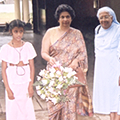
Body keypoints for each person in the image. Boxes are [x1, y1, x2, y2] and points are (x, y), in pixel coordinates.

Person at [41, 4, 93, 120]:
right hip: (55, 74)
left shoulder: (76, 34)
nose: (65, 19)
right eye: (62, 17)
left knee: (69, 106)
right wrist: (50, 59)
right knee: (54, 104)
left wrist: (75, 61)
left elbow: (82, 53)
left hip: (71, 75)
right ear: (58, 18)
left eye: (67, 17)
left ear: (71, 18)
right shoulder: (50, 32)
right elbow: (44, 52)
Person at [0, 19, 37, 120]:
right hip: (12, 82)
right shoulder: (5, 48)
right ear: (10, 31)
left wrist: (31, 86)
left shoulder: (28, 46)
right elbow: (3, 70)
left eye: (21, 31)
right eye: (16, 31)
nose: (19, 34)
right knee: (13, 107)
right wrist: (7, 88)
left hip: (25, 81)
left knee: (26, 107)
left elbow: (32, 67)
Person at [93, 6, 120, 120]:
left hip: (115, 68)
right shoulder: (98, 29)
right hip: (102, 70)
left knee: (117, 97)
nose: (103, 20)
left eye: (106, 17)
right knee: (109, 98)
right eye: (101, 17)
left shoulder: (118, 29)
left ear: (112, 17)